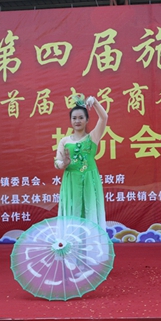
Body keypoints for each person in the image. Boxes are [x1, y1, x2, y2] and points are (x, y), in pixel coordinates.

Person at [54, 94, 108, 230]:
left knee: (90, 211)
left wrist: (94, 102)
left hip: (89, 179)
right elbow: (57, 162)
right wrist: (64, 163)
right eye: (74, 118)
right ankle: (72, 242)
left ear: (87, 120)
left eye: (81, 118)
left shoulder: (93, 137)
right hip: (71, 181)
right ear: (70, 120)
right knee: (72, 213)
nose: (77, 121)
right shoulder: (64, 141)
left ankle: (91, 242)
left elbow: (104, 118)